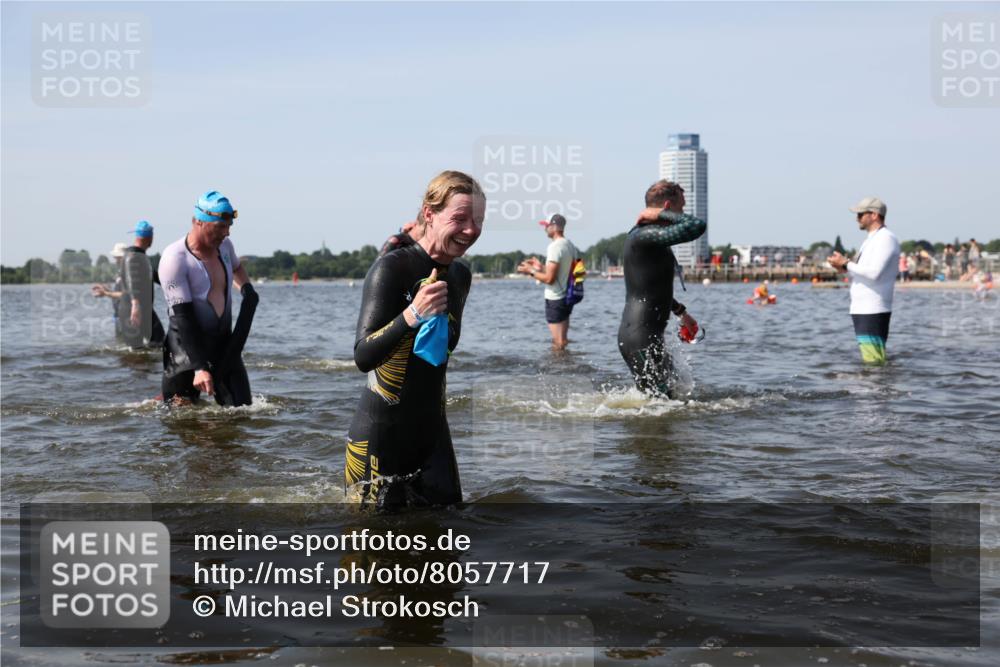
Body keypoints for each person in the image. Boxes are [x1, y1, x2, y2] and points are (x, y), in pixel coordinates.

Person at [345, 171, 485, 508]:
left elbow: (441, 349)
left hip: (432, 434)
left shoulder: (461, 276)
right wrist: (412, 315)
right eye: (460, 218)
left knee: (448, 544)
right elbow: (363, 355)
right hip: (381, 436)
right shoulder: (391, 269)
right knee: (372, 552)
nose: (471, 230)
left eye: (478, 220)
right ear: (429, 214)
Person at [158, 191, 258, 406]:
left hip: (223, 344)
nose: (227, 233)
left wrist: (247, 290)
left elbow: (238, 268)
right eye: (221, 227)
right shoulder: (175, 259)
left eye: (229, 226)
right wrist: (200, 368)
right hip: (186, 350)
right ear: (198, 222)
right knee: (182, 423)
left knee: (243, 412)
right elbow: (183, 317)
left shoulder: (225, 247)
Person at [618, 180, 707, 398]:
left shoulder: (651, 237)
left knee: (671, 399)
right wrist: (659, 214)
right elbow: (696, 226)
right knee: (660, 405)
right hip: (639, 339)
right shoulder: (644, 235)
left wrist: (682, 313)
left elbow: (651, 287)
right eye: (681, 208)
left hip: (644, 336)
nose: (683, 213)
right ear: (667, 207)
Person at [827, 196, 901, 366]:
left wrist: (846, 263)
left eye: (860, 214)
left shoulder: (885, 238)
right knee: (872, 360)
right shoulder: (872, 239)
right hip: (864, 308)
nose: (857, 218)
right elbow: (863, 272)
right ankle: (873, 389)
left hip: (873, 308)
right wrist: (843, 267)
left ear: (874, 215)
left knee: (873, 361)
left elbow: (874, 273)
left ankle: (873, 391)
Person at [515, 213, 580, 350]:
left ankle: (557, 368)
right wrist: (540, 267)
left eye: (547, 226)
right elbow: (562, 271)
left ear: (554, 227)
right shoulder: (569, 245)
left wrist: (530, 271)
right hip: (567, 298)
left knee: (558, 341)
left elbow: (550, 279)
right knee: (563, 339)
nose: (545, 229)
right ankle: (566, 365)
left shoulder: (554, 247)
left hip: (556, 299)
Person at [118, 221, 166, 349]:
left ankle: (152, 368)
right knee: (136, 352)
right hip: (132, 311)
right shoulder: (132, 256)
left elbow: (157, 277)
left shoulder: (142, 256)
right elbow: (131, 280)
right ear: (149, 237)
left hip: (144, 310)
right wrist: (135, 304)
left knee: (159, 343)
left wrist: (175, 285)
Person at [91, 242, 129, 336]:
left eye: (118, 258)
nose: (116, 261)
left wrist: (105, 293)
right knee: (120, 343)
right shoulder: (121, 272)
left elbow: (126, 295)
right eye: (116, 258)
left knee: (125, 344)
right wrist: (105, 290)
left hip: (126, 316)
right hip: (118, 315)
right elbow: (119, 293)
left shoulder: (128, 273)